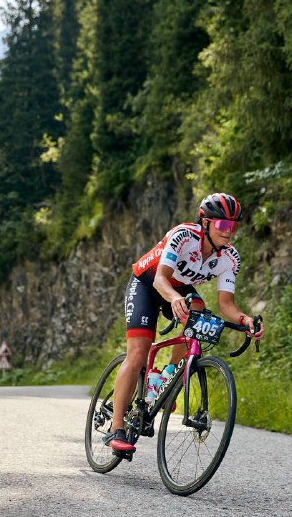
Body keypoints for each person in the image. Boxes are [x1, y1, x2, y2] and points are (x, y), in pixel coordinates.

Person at [106, 192, 265, 452]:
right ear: (206, 223)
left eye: (233, 226)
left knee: (199, 314)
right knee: (138, 353)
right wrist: (174, 298)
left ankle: (166, 376)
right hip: (147, 282)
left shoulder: (230, 257)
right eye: (223, 225)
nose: (229, 231)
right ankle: (116, 429)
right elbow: (160, 279)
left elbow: (226, 304)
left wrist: (245, 319)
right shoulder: (184, 236)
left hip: (180, 287)